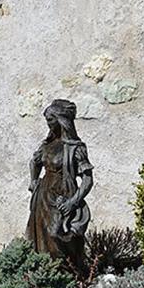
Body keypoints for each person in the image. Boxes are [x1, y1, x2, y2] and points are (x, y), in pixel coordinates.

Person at [26, 99, 94, 271]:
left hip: (63, 196)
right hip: (43, 197)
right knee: (40, 234)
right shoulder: (47, 145)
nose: (48, 124)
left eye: (50, 120)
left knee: (58, 233)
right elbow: (34, 162)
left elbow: (87, 179)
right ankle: (44, 273)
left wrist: (73, 201)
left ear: (61, 121)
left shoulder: (75, 148)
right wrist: (34, 181)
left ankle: (68, 273)